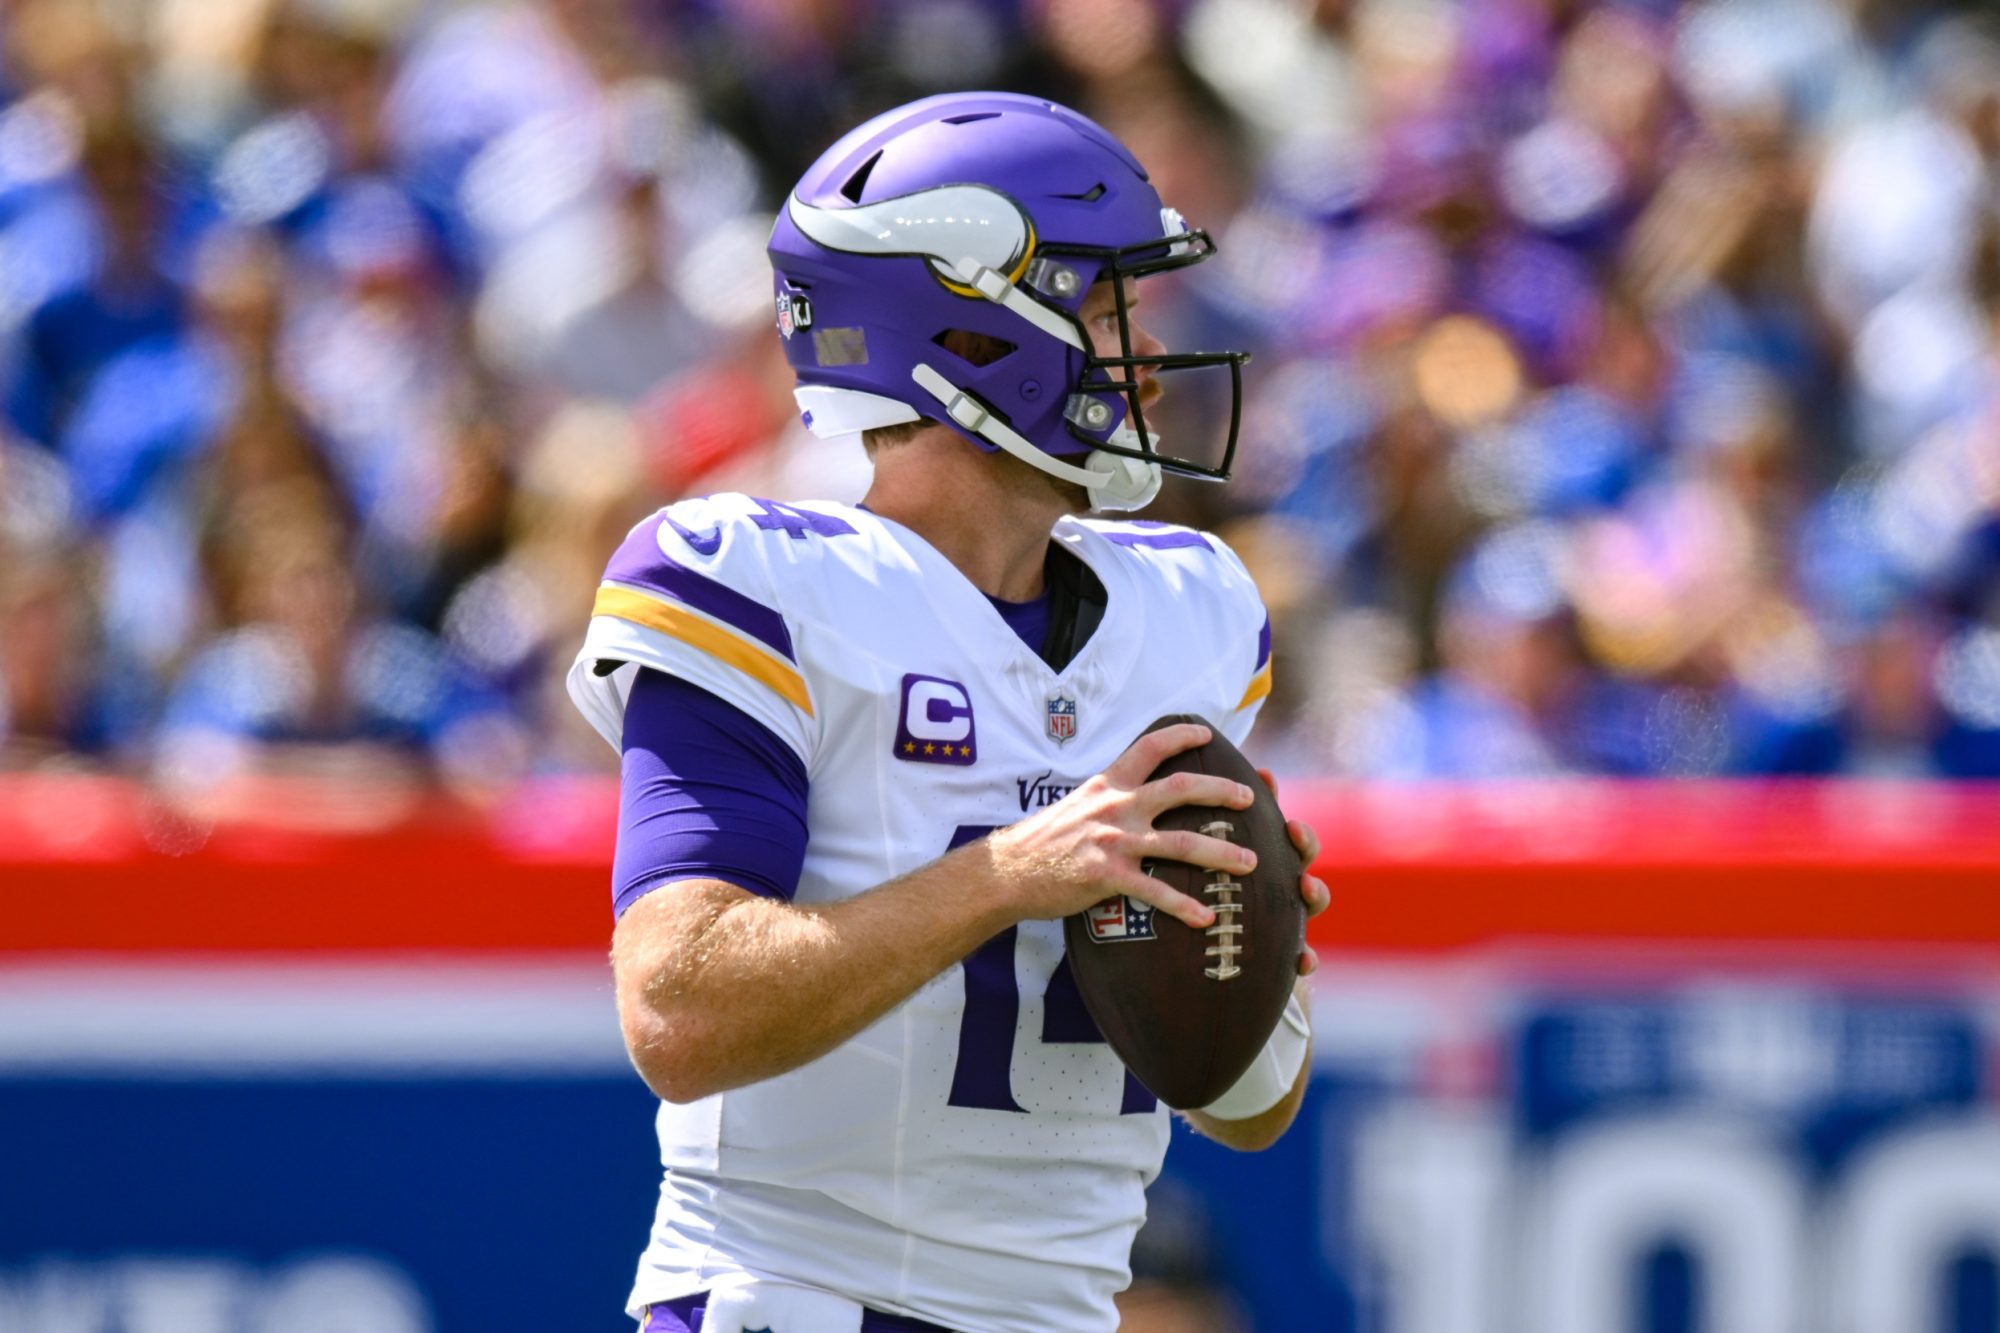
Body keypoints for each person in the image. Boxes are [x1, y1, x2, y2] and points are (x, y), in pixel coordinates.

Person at [566, 92, 1330, 1333]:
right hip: (795, 1303)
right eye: (1102, 305)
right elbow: (677, 1010)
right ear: (972, 333)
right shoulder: (756, 579)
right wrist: (1004, 876)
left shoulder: (1192, 609)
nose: (1140, 350)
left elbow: (1248, 1105)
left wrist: (1247, 936)